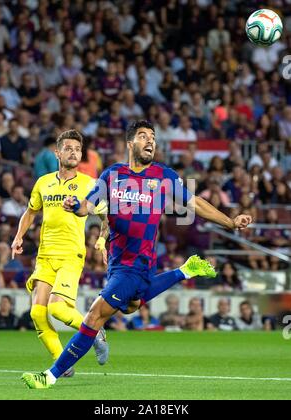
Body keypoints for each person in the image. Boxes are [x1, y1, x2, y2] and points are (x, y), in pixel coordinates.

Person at [21, 120, 252, 389]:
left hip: (137, 263)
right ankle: (185, 270)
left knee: (94, 316)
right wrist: (75, 207)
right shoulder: (112, 174)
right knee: (131, 306)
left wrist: (231, 222)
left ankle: (49, 376)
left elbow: (195, 202)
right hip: (118, 262)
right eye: (143, 136)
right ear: (131, 144)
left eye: (152, 136)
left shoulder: (163, 176)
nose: (150, 140)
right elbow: (89, 205)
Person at [11, 129, 109, 378]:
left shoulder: (89, 184)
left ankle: (95, 330)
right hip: (45, 255)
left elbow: (105, 215)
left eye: (77, 149)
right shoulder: (43, 182)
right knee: (37, 312)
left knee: (57, 309)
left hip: (70, 254)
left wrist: (101, 238)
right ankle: (61, 362)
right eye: (68, 148)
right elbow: (31, 212)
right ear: (58, 153)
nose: (74, 152)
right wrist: (18, 236)